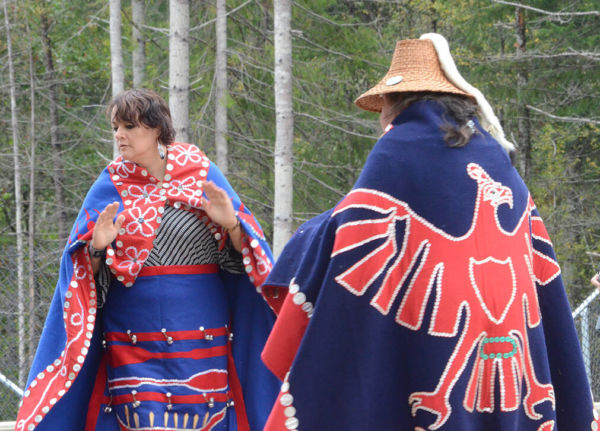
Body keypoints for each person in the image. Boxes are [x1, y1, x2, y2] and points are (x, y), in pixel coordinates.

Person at [260, 34, 600, 430]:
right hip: (511, 339)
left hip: (436, 333)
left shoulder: (397, 149)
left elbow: (355, 225)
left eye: (382, 106)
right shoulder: (492, 154)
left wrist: (307, 238)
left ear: (392, 103)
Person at [16, 89, 284, 431]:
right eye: (115, 127)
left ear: (157, 128)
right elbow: (84, 279)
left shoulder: (201, 172)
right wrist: (97, 248)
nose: (119, 136)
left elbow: (243, 259)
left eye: (128, 126)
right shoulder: (109, 185)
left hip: (201, 330)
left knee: (205, 417)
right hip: (132, 335)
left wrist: (231, 223)